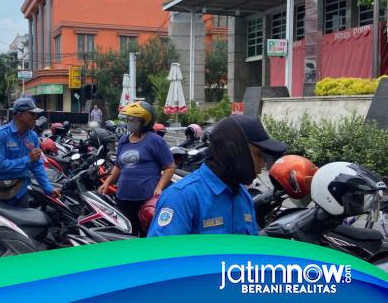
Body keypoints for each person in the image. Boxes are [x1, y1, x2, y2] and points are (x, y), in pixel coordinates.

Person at [148, 114, 288, 237]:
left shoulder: (243, 195)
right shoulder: (181, 198)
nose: (263, 164)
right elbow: (162, 263)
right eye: (258, 155)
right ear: (235, 151)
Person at [98, 101, 176, 236]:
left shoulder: (155, 141)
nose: (129, 122)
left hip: (146, 199)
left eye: (133, 120)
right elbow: (118, 166)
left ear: (145, 121)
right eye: (128, 119)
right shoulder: (123, 140)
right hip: (123, 198)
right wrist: (107, 183)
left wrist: (159, 188)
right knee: (126, 236)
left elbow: (170, 167)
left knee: (147, 237)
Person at [0, 98, 61, 207]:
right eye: (32, 114)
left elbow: (37, 164)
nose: (36, 118)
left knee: (25, 223)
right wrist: (27, 159)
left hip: (19, 192)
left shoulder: (33, 136)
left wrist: (48, 188)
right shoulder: (1, 135)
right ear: (20, 116)